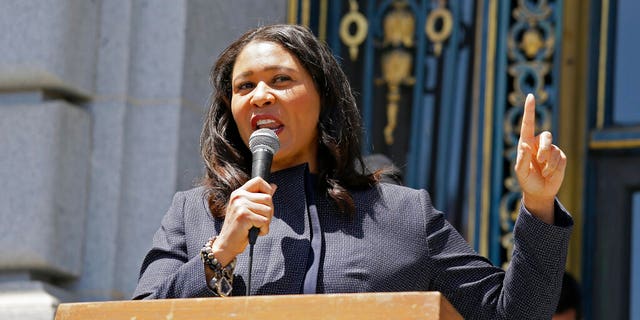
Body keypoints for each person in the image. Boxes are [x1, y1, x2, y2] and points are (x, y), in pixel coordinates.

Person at [133, 24, 572, 319]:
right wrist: (219, 253)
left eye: (281, 80)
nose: (261, 96)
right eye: (244, 86)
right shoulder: (194, 214)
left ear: (323, 96)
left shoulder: (401, 215)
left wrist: (537, 203)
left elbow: (515, 313)